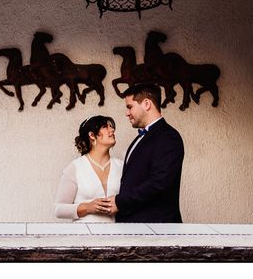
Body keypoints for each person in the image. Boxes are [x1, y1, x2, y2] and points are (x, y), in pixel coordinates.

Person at [109, 83, 185, 223]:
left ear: (146, 104)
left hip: (156, 228)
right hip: (135, 227)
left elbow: (159, 183)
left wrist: (120, 202)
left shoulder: (168, 137)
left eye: (130, 107)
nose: (127, 113)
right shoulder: (140, 138)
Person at [54, 115, 123, 222]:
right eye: (105, 127)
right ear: (91, 135)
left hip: (116, 236)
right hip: (84, 236)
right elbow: (58, 209)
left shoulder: (122, 166)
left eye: (112, 127)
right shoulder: (75, 167)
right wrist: (88, 207)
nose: (112, 130)